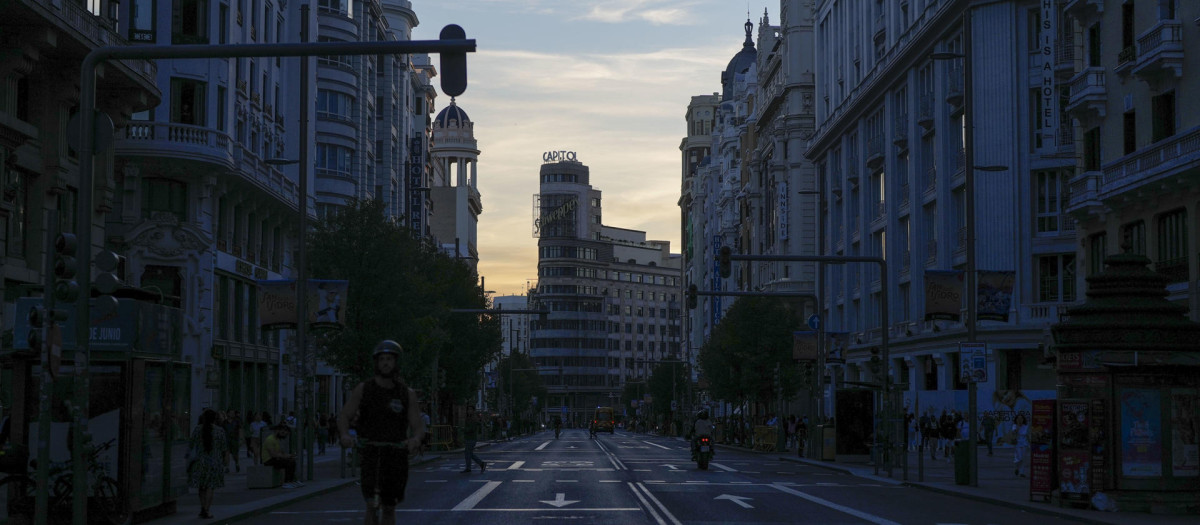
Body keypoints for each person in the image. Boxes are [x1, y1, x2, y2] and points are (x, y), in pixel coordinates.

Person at [339, 340, 426, 525]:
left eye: (390, 359)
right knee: (371, 504)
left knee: (389, 507)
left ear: (396, 363)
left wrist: (415, 440)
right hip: (370, 451)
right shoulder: (364, 389)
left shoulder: (405, 393)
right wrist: (345, 435)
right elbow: (345, 415)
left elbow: (418, 426)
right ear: (376, 363)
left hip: (396, 454)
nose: (386, 363)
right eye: (382, 359)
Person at [188, 409, 230, 519]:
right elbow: (224, 448)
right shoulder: (219, 431)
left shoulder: (198, 429)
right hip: (215, 462)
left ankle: (202, 507)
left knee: (201, 486)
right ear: (215, 419)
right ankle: (207, 509)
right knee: (211, 486)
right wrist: (225, 461)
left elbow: (191, 444)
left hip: (200, 461)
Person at [262, 423, 301, 488]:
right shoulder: (270, 439)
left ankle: (292, 480)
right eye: (283, 432)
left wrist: (289, 455)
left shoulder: (276, 439)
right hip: (268, 460)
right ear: (277, 431)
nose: (284, 434)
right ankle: (286, 482)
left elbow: (280, 453)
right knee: (288, 463)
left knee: (292, 461)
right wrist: (285, 456)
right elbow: (273, 454)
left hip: (274, 459)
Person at [460, 406, 487, 473]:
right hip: (469, 438)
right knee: (469, 453)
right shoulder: (469, 418)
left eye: (470, 410)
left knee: (468, 453)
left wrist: (463, 429)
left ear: (473, 411)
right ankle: (478, 464)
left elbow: (471, 429)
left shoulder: (473, 419)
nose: (469, 411)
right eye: (468, 409)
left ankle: (475, 465)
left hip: (471, 438)